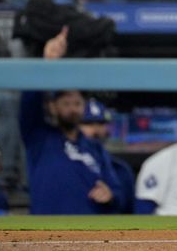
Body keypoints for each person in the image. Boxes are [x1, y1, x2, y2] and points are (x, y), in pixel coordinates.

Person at [21, 30, 124, 215]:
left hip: (88, 233)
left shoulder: (94, 148)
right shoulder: (38, 137)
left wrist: (110, 194)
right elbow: (29, 100)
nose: (72, 109)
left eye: (77, 103)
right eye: (66, 103)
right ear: (53, 107)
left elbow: (117, 191)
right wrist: (47, 63)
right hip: (46, 231)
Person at [80, 98, 135, 215]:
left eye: (101, 123)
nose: (96, 130)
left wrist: (112, 196)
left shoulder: (121, 170)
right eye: (88, 123)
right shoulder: (66, 164)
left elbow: (130, 211)